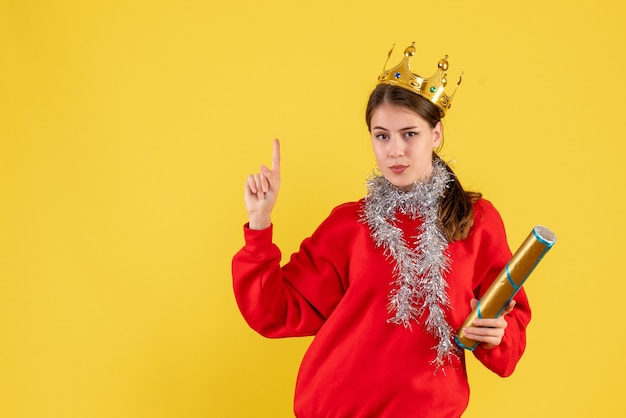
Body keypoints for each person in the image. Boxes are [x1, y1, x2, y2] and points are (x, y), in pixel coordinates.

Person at [231, 43, 531, 417]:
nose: (395, 151)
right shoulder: (348, 224)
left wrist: (498, 334)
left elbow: (510, 331)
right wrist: (259, 224)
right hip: (337, 408)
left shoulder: (475, 221)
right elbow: (275, 312)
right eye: (382, 135)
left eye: (410, 134)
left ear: (435, 134)